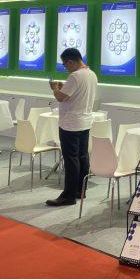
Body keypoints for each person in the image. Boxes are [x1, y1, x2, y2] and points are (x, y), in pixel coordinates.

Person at [46, 48, 98, 207]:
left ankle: (68, 196)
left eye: (65, 65)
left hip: (70, 124)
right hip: (85, 122)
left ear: (70, 61)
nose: (65, 68)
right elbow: (75, 94)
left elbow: (61, 98)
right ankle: (80, 191)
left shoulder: (75, 76)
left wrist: (55, 88)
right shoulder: (91, 74)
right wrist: (64, 87)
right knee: (82, 157)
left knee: (71, 160)